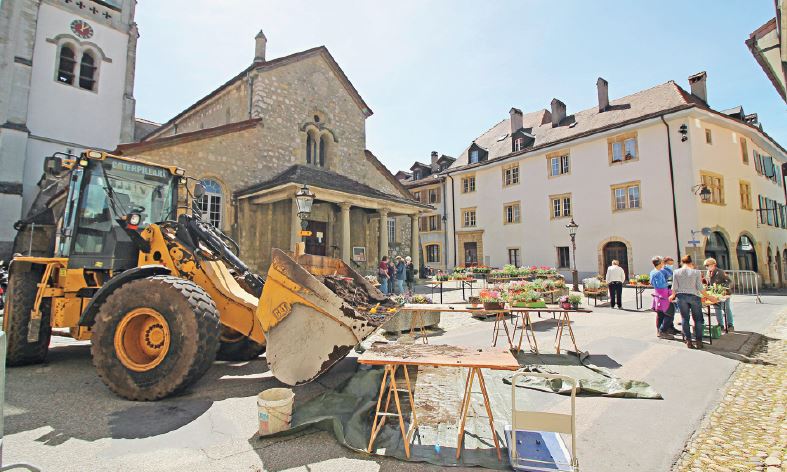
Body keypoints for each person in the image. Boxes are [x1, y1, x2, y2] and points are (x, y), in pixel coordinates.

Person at [669, 255, 717, 349]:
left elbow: (674, 286)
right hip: (694, 296)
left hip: (681, 297)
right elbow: (700, 287)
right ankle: (699, 341)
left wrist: (673, 295)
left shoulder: (676, 272)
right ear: (691, 263)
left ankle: (688, 341)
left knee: (685, 319)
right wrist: (709, 297)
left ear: (682, 263)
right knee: (698, 320)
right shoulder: (696, 272)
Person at [704, 258, 734, 331]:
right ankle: (720, 325)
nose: (706, 267)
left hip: (724, 293)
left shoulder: (720, 272)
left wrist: (722, 287)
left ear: (713, 265)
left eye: (708, 265)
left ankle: (730, 325)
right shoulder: (708, 272)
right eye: (705, 266)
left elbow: (729, 281)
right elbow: (709, 283)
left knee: (726, 308)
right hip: (715, 294)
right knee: (717, 309)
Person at [650, 256, 674, 339]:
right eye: (662, 262)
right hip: (663, 295)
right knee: (670, 313)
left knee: (660, 315)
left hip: (658, 295)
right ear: (660, 263)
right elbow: (662, 285)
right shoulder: (658, 273)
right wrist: (670, 288)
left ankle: (659, 331)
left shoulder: (653, 271)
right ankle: (662, 331)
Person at [662, 256, 680, 334]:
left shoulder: (670, 271)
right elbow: (664, 282)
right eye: (669, 264)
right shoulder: (663, 271)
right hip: (666, 293)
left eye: (672, 264)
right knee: (669, 312)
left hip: (671, 292)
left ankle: (671, 327)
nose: (671, 265)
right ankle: (665, 329)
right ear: (665, 263)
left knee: (672, 311)